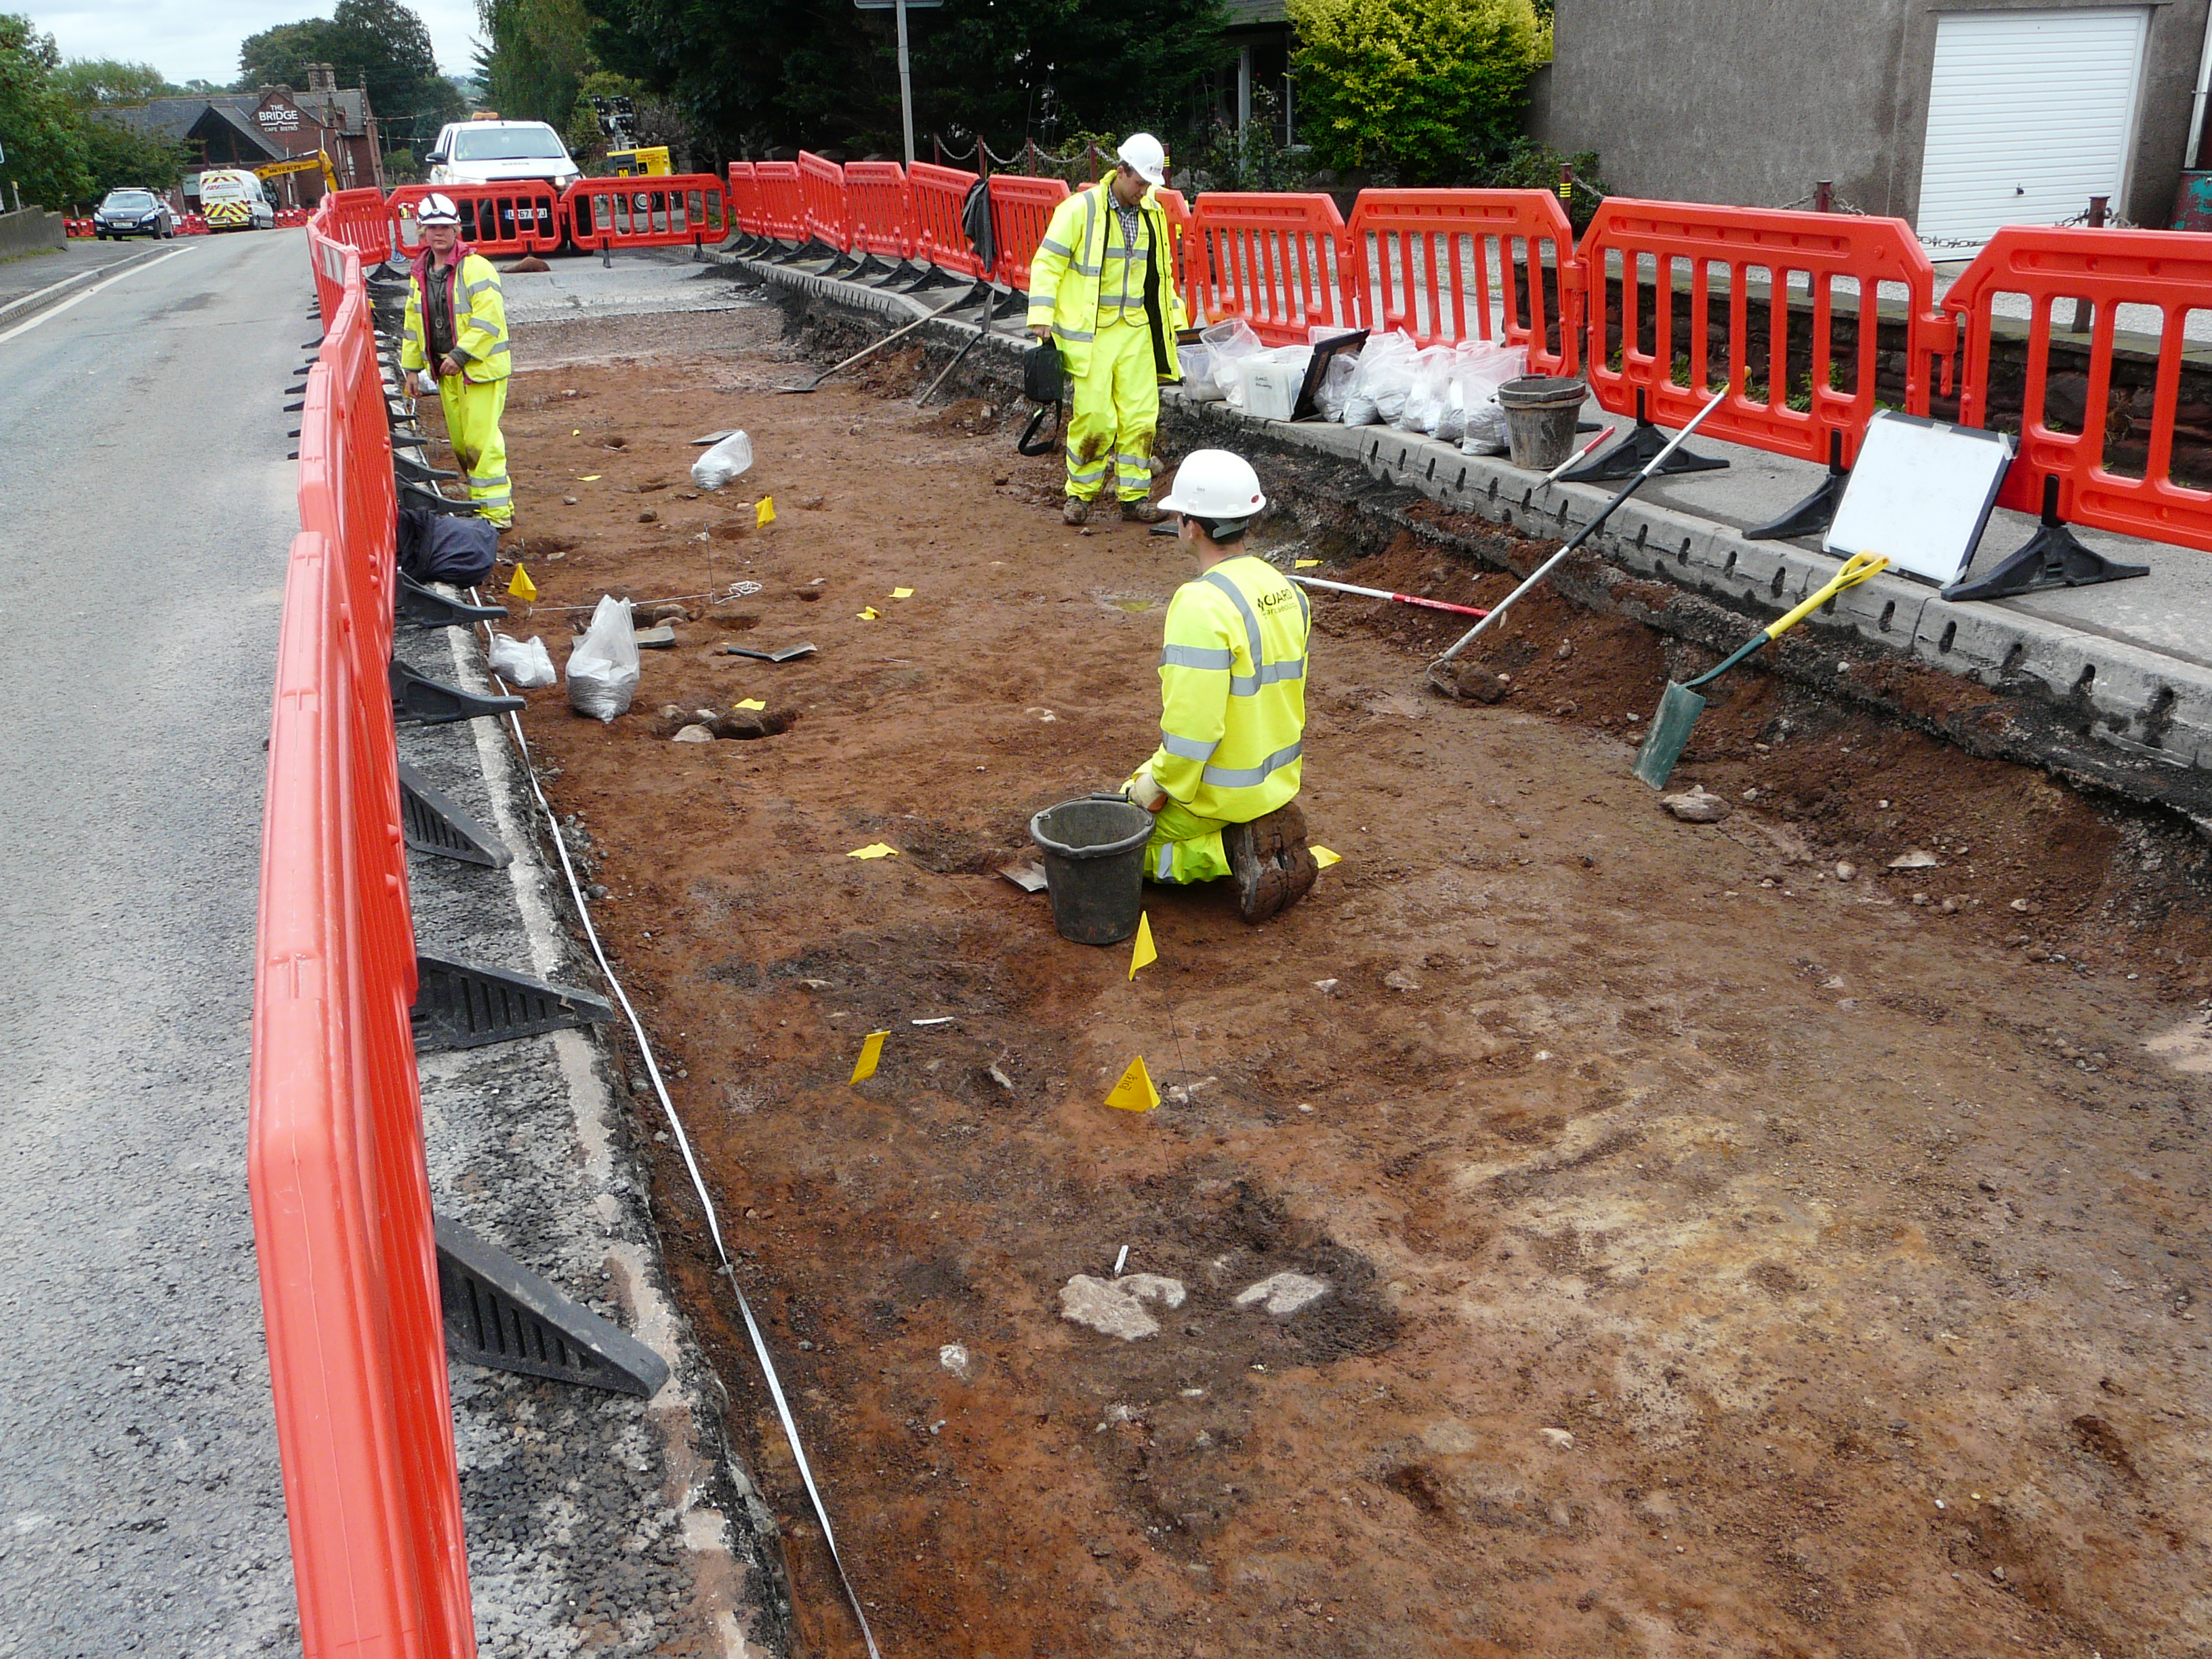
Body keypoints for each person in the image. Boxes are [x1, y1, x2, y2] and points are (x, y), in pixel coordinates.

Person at [1126, 450, 1318, 924]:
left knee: (1125, 843)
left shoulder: (1200, 605)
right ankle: (1258, 827)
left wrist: (1153, 787)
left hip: (1220, 795)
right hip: (1274, 781)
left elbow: (1195, 731)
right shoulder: (1287, 589)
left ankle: (1231, 850)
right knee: (1138, 788)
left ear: (1191, 526)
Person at [1025, 133, 1185, 528]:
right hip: (1092, 333)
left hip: (1135, 329)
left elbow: (1160, 276)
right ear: (1122, 170)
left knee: (1140, 418)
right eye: (1140, 183)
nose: (1144, 191)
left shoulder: (1152, 214)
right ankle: (1080, 495)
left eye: (1150, 185)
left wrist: (1174, 321)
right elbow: (1047, 263)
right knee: (1096, 419)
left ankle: (1134, 497)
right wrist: (1041, 315)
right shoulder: (1080, 210)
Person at [398, 193, 514, 529]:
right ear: (423, 230)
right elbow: (412, 323)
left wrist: (461, 355)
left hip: (479, 371)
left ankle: (496, 516)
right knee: (464, 446)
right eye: (433, 227)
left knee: (482, 442)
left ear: (457, 228)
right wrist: (412, 370)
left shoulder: (476, 267)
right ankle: (484, 509)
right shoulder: (420, 273)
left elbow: (488, 318)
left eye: (445, 227)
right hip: (448, 374)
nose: (439, 233)